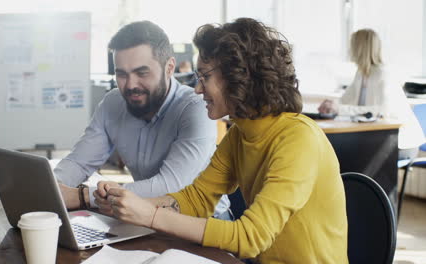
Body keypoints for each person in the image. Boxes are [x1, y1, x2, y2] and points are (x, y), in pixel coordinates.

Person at [97, 18, 348, 263]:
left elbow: (251, 238)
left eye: (204, 76)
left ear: (239, 76)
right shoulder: (239, 134)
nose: (197, 88)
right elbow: (196, 200)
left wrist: (151, 216)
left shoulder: (298, 138)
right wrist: (126, 204)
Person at [55, 21, 231, 219]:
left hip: (205, 220)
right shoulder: (113, 102)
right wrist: (51, 187)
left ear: (169, 67)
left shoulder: (196, 108)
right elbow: (79, 163)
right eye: (121, 74)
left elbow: (171, 185)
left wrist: (83, 196)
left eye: (142, 73)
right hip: (145, 215)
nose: (131, 85)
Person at [318, 29, 424, 160]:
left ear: (360, 48)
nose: (349, 50)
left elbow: (379, 111)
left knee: (354, 155)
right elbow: (345, 101)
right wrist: (331, 104)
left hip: (401, 143)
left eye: (352, 46)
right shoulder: (361, 73)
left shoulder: (383, 74)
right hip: (379, 138)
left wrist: (339, 108)